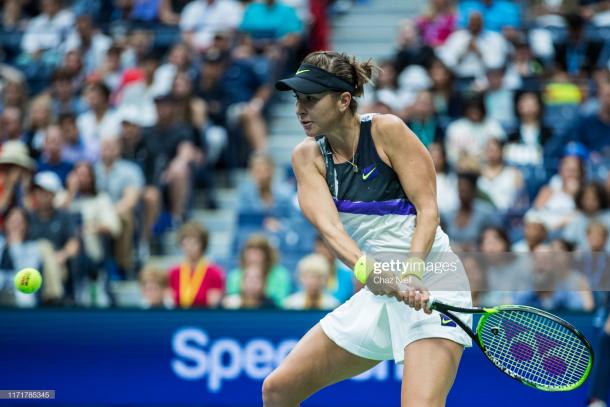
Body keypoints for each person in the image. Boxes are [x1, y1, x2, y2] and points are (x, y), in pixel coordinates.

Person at [263, 51, 472, 407]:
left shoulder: (387, 131)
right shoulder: (307, 157)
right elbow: (331, 231)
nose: (301, 109)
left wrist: (411, 272)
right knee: (278, 390)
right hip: (379, 292)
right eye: (298, 99)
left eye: (311, 99)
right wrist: (367, 270)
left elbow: (428, 211)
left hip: (433, 284)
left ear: (344, 100)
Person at [168, 222, 225, 308]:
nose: (189, 247)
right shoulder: (173, 273)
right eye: (186, 243)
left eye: (194, 243)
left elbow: (213, 304)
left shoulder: (214, 273)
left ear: (203, 245)